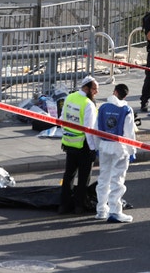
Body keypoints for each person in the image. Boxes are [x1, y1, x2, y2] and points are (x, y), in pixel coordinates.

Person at [95, 83, 137, 223]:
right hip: (119, 148)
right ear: (125, 96)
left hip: (104, 146)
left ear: (114, 92)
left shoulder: (103, 107)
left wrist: (97, 147)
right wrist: (132, 151)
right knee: (117, 180)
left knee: (103, 178)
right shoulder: (126, 110)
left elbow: (96, 128)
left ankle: (101, 210)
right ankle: (115, 211)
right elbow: (129, 133)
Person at [59, 76, 99, 214]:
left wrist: (67, 134)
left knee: (68, 175)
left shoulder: (70, 97)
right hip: (84, 146)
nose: (96, 93)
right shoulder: (88, 104)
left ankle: (64, 205)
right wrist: (93, 149)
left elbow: (62, 119)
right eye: (94, 89)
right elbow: (89, 129)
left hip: (69, 143)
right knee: (83, 177)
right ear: (87, 88)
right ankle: (78, 206)